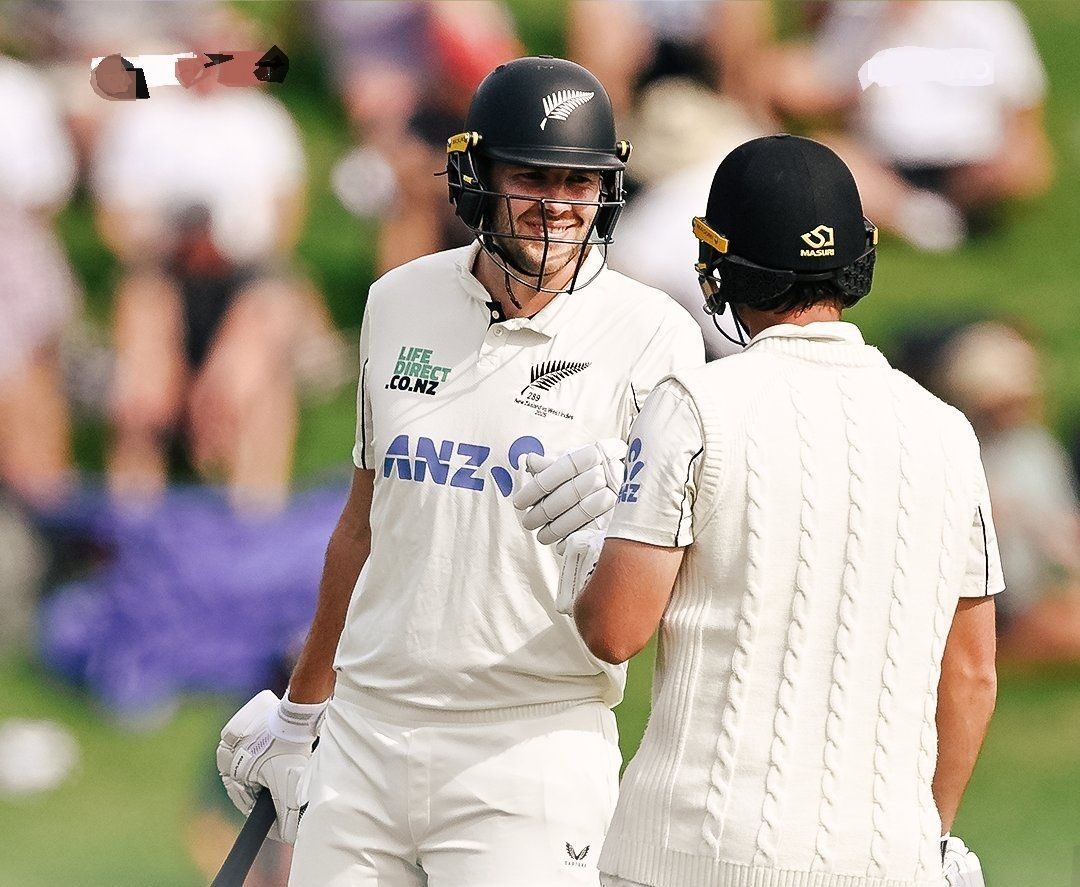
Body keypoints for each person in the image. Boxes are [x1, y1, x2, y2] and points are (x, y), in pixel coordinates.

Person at [217, 56, 705, 885]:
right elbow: (364, 523)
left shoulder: (654, 333)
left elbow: (666, 584)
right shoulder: (398, 300)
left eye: (578, 183)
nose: (557, 204)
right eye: (532, 176)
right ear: (477, 176)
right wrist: (304, 706)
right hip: (367, 730)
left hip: (530, 742)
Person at [557, 135, 1001, 887]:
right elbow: (972, 671)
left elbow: (613, 631)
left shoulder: (695, 405)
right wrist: (931, 838)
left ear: (723, 266)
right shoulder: (945, 429)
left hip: (690, 855)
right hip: (887, 861)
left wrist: (586, 543)